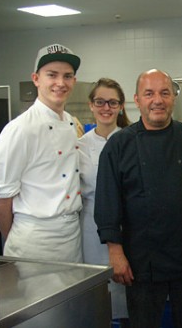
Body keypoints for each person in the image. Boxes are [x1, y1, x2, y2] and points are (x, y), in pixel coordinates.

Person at [94, 69, 182, 327]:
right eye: (149, 94)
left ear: (174, 98)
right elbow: (107, 201)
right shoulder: (119, 145)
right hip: (141, 259)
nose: (157, 100)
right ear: (137, 100)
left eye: (164, 93)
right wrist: (115, 252)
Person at [0, 43, 83, 262]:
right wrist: (16, 240)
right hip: (35, 238)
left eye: (67, 76)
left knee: (73, 296)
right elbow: (1, 199)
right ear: (36, 78)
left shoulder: (71, 123)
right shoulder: (20, 129)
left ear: (74, 82)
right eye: (52, 75)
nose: (61, 83)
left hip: (71, 235)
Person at [78, 78, 131, 325]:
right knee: (99, 303)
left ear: (121, 106)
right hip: (90, 230)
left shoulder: (133, 141)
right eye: (100, 102)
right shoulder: (78, 147)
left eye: (112, 102)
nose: (106, 107)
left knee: (130, 299)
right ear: (91, 105)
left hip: (129, 228)